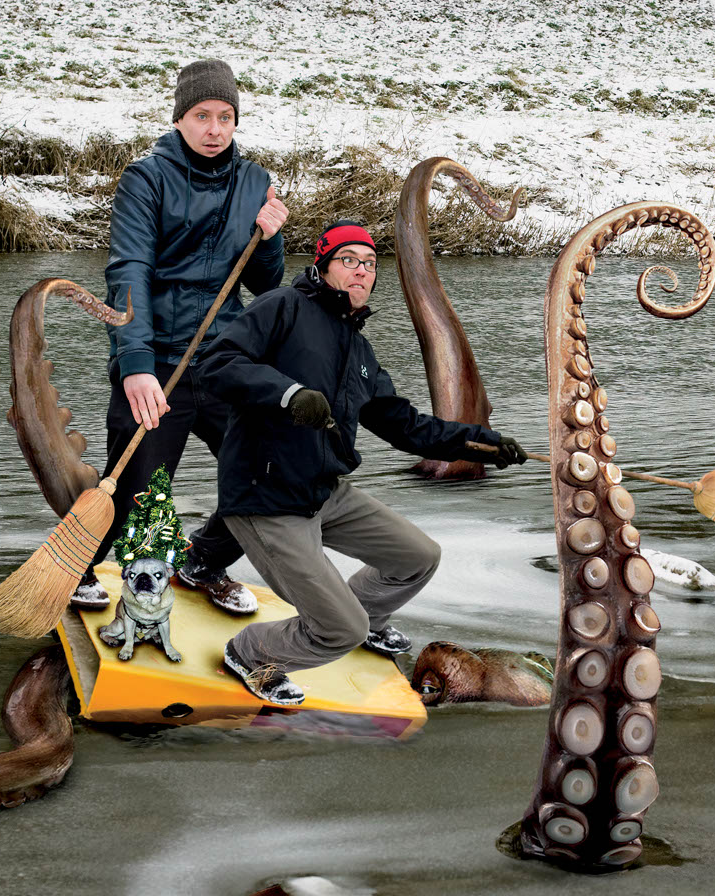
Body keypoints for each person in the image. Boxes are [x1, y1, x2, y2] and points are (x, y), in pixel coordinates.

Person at [195, 221, 529, 705]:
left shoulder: (359, 349)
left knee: (418, 557)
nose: (362, 271)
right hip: (264, 494)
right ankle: (251, 653)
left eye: (370, 264)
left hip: (323, 490)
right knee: (337, 630)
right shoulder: (282, 308)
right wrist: (288, 393)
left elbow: (405, 426)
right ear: (323, 265)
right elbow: (217, 362)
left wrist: (480, 443)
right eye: (348, 260)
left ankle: (365, 618)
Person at [75, 58, 289, 616]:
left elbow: (265, 283)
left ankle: (203, 565)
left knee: (272, 471)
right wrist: (136, 363)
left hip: (223, 360)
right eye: (201, 115)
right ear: (180, 119)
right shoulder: (145, 179)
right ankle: (78, 571)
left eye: (225, 116)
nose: (214, 129)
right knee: (133, 493)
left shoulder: (254, 181)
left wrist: (269, 239)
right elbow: (129, 273)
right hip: (159, 361)